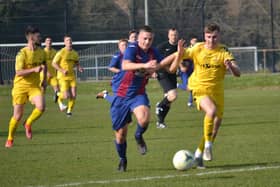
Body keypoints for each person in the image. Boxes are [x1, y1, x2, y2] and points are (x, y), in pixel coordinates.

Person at [163, 23, 241, 168]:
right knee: (210, 111)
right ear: (204, 36)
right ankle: (208, 147)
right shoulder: (197, 48)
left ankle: (199, 155)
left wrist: (230, 67)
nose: (211, 40)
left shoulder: (224, 51)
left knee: (214, 128)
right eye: (209, 37)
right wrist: (159, 65)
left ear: (219, 36)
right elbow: (176, 55)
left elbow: (238, 73)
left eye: (215, 37)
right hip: (199, 88)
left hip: (217, 92)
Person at [109, 25, 163, 172]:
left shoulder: (153, 52)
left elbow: (164, 64)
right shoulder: (132, 48)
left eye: (150, 39)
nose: (147, 42)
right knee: (121, 136)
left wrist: (178, 55)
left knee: (144, 119)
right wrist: (145, 65)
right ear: (138, 38)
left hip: (138, 94)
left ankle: (138, 136)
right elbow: (125, 65)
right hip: (121, 96)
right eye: (144, 38)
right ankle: (123, 158)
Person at [5, 25, 47, 148]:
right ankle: (10, 138)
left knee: (41, 106)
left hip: (34, 86)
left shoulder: (41, 52)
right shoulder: (22, 53)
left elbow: (44, 66)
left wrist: (44, 80)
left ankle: (28, 124)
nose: (41, 38)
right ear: (31, 37)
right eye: (38, 36)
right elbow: (18, 72)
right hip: (20, 87)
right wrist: (34, 69)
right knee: (17, 116)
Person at [52, 35, 83, 117]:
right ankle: (58, 94)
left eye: (70, 40)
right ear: (64, 42)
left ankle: (69, 111)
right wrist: (62, 70)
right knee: (66, 95)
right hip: (62, 77)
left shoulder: (75, 53)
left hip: (72, 76)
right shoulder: (61, 52)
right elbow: (53, 63)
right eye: (67, 40)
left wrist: (79, 67)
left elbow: (76, 62)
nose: (69, 42)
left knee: (73, 95)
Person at [155, 28, 179, 128]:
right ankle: (159, 105)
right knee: (173, 96)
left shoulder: (179, 47)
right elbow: (154, 59)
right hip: (162, 73)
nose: (174, 37)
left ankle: (160, 122)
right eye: (172, 35)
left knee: (168, 100)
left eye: (176, 35)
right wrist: (154, 71)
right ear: (168, 36)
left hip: (172, 74)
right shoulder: (162, 47)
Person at [96, 39, 128, 103]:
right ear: (119, 47)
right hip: (118, 82)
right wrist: (122, 72)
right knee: (118, 102)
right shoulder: (117, 55)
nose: (124, 46)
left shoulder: (131, 56)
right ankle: (104, 95)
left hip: (127, 82)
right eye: (122, 45)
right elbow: (110, 67)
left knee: (126, 101)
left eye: (126, 45)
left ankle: (104, 94)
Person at [42, 37, 66, 109]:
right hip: (44, 75)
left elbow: (57, 62)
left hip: (53, 75)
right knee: (43, 90)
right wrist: (46, 72)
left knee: (57, 90)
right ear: (45, 43)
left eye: (50, 41)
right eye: (47, 41)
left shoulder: (55, 52)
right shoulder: (42, 52)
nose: (49, 42)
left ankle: (60, 105)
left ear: (51, 43)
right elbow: (40, 64)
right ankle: (41, 105)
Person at [177, 36, 197, 107]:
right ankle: (176, 85)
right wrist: (182, 66)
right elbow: (179, 59)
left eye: (196, 41)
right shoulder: (182, 52)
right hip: (184, 72)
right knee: (188, 87)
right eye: (194, 41)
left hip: (191, 71)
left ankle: (190, 102)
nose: (195, 42)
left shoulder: (192, 50)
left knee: (193, 86)